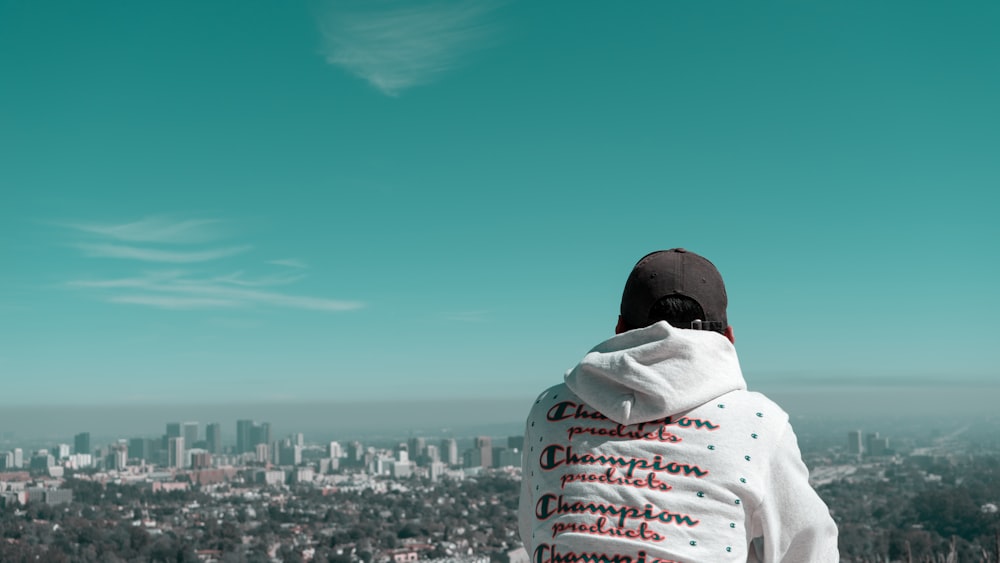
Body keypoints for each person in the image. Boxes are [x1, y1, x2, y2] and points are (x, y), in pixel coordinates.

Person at [518, 248, 839, 563]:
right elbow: (809, 544)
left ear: (619, 330)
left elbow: (535, 529)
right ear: (729, 337)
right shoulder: (758, 423)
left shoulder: (549, 408)